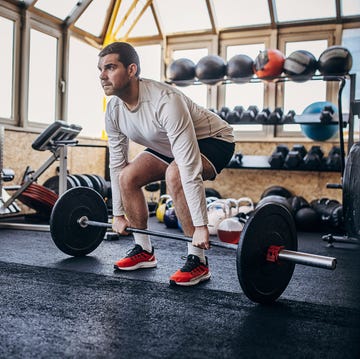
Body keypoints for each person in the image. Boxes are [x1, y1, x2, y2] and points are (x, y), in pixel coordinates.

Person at [98, 41, 235, 286]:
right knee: (127, 177)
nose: (102, 75)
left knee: (176, 174)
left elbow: (187, 168)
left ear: (131, 70)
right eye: (100, 69)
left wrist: (202, 226)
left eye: (110, 68)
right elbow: (117, 164)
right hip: (169, 144)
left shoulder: (165, 100)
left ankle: (198, 261)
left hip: (214, 140)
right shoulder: (114, 110)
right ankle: (143, 250)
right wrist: (118, 214)